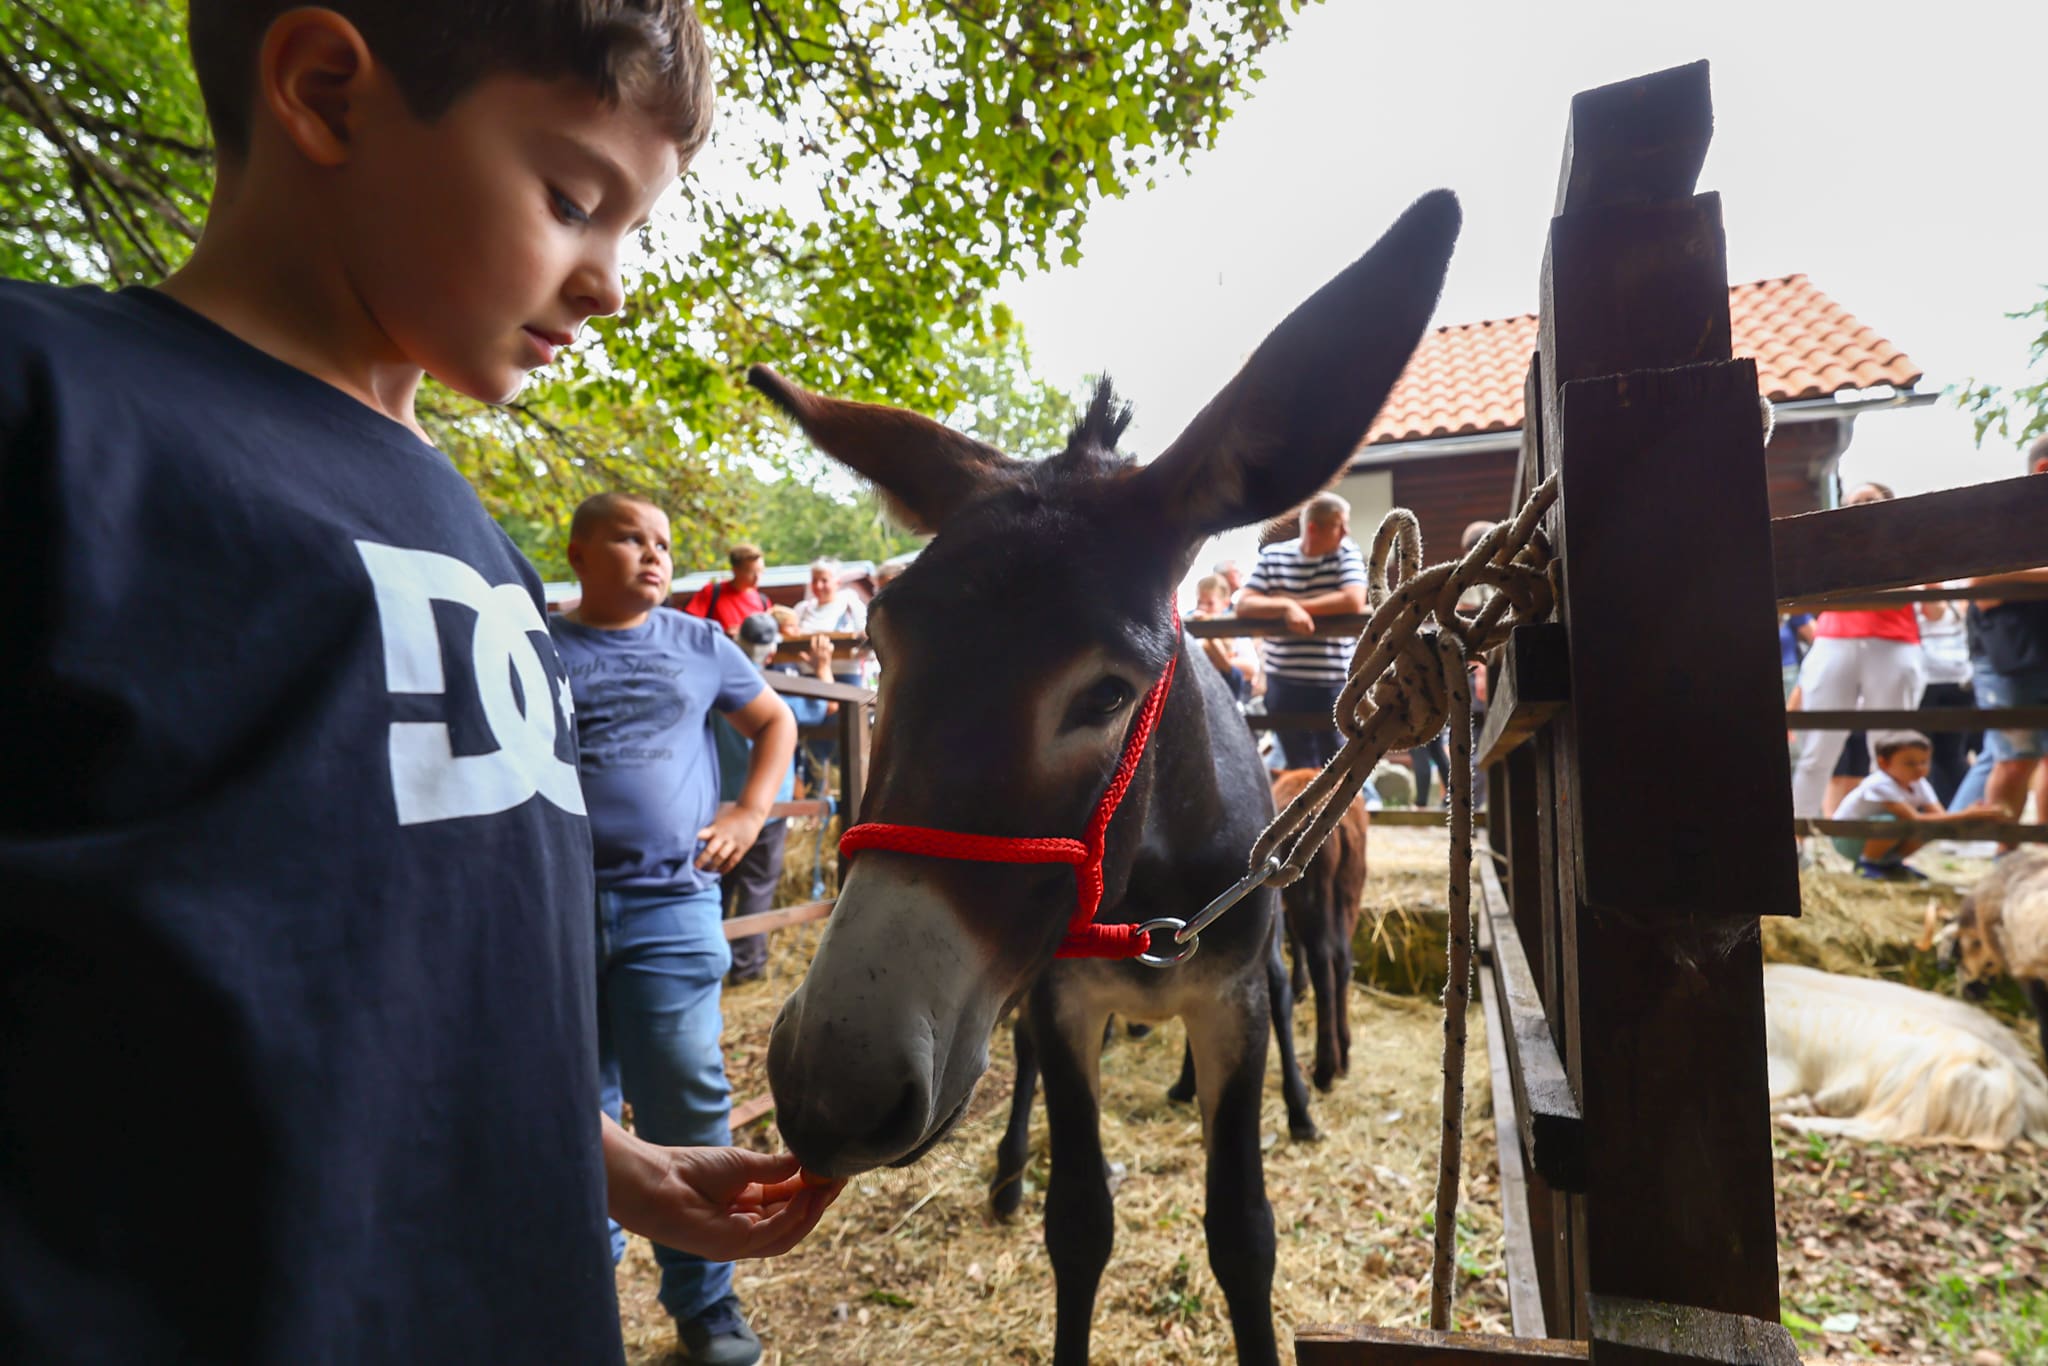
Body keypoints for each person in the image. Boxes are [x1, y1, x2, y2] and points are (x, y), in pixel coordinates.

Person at [0, 4, 841, 1363]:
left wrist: (607, 1156)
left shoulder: (477, 541)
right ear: (328, 93)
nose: (610, 279)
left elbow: (412, 965)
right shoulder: (47, 406)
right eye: (575, 197)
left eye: (632, 227)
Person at [552, 494, 800, 1364]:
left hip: (669, 901)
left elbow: (773, 721)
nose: (654, 555)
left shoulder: (700, 643)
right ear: (578, 552)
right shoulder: (539, 643)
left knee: (685, 1094)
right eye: (631, 538)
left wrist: (748, 810)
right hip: (553, 908)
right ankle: (584, 1286)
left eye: (663, 543)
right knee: (566, 1095)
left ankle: (705, 1304)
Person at [1789, 481, 1924, 819]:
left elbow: (1930, 603)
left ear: (1887, 504)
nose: (1862, 506)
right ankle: (1801, 836)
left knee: (1891, 745)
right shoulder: (1832, 543)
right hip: (1835, 639)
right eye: (1854, 502)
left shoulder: (1906, 542)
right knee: (1818, 747)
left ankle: (1886, 837)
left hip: (1893, 641)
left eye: (1870, 500)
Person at [716, 614, 835, 985]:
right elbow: (828, 706)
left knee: (719, 882)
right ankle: (747, 968)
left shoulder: (718, 683)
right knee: (757, 885)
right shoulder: (775, 687)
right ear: (771, 653)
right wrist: (823, 668)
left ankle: (712, 959)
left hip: (722, 803)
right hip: (770, 805)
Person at [1948, 436, 2048, 829]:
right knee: (2013, 761)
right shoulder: (2004, 518)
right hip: (2011, 664)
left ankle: (2042, 857)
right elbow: (1982, 588)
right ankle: (2005, 854)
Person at [1236, 492, 1368, 770]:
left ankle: (1337, 814)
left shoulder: (1347, 551)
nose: (1346, 532)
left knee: (1337, 762)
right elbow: (1245, 604)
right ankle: (1305, 814)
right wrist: (1283, 606)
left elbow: (1353, 599)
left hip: (1333, 683)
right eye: (1338, 525)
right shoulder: (1274, 556)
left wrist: (1293, 604)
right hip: (1284, 683)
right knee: (1298, 764)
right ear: (1313, 529)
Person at [1831, 731, 2005, 880]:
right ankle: (1867, 863)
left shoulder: (1918, 783)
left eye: (1924, 762)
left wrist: (1974, 814)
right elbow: (1915, 818)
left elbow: (1940, 816)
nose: (1919, 769)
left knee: (1933, 827)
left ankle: (1890, 863)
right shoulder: (1880, 784)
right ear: (1883, 763)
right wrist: (1968, 814)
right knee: (1893, 822)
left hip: (1877, 836)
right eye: (1910, 763)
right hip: (1848, 838)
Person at [1914, 595, 1978, 806]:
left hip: (1952, 679)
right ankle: (1938, 812)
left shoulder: (1958, 584)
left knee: (1946, 753)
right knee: (1931, 754)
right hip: (1930, 680)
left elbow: (1938, 611)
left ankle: (1958, 811)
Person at [1190, 571, 1263, 703]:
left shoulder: (1234, 630)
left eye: (1210, 603)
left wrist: (1215, 660)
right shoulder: (1190, 624)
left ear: (1225, 603)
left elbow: (1251, 668)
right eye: (1200, 602)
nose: (1203, 608)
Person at [683, 543, 772, 635]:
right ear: (735, 570)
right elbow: (689, 625)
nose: (757, 577)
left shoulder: (763, 601)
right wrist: (723, 634)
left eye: (760, 570)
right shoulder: (712, 592)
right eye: (750, 572)